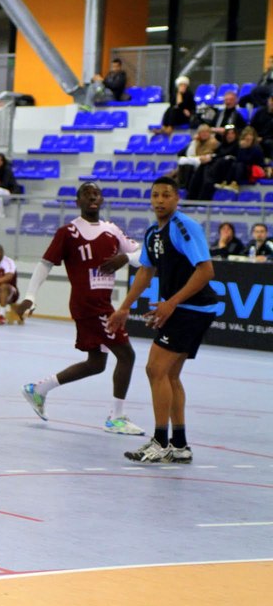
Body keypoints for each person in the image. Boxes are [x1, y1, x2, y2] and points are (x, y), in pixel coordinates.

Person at [15, 183, 145, 435]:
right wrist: (30, 295)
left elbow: (143, 254)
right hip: (89, 305)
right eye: (86, 194)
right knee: (127, 355)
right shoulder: (68, 232)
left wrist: (126, 257)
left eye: (96, 193)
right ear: (78, 202)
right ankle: (116, 418)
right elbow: (45, 264)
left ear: (102, 199)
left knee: (96, 363)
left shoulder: (112, 230)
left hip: (103, 304)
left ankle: (38, 390)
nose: (92, 197)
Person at [108, 177, 218, 464]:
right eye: (155, 195)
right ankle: (179, 445)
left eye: (166, 195)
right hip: (184, 309)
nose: (159, 200)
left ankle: (160, 443)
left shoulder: (184, 227)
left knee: (155, 369)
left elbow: (206, 271)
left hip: (193, 309)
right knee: (169, 375)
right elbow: (146, 272)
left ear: (177, 198)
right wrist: (123, 308)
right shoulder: (152, 233)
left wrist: (172, 303)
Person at [175, 124, 219, 190]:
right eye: (202, 132)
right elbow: (185, 154)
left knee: (185, 164)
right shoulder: (198, 141)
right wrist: (194, 142)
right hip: (196, 162)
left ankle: (183, 186)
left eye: (206, 132)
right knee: (181, 165)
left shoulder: (213, 142)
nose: (204, 134)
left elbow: (203, 157)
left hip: (206, 165)